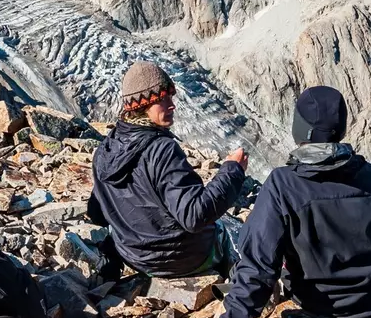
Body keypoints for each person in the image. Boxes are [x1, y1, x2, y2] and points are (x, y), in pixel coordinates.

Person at [179, 85, 371, 318]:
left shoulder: (283, 185)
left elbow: (259, 267)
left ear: (300, 129)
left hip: (323, 304)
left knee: (273, 270)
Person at [86, 61, 249, 279]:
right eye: (162, 100)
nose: (172, 105)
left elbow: (97, 214)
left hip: (135, 258)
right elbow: (194, 217)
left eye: (170, 97)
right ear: (142, 106)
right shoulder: (162, 149)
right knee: (228, 227)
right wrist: (232, 171)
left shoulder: (106, 149)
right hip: (183, 259)